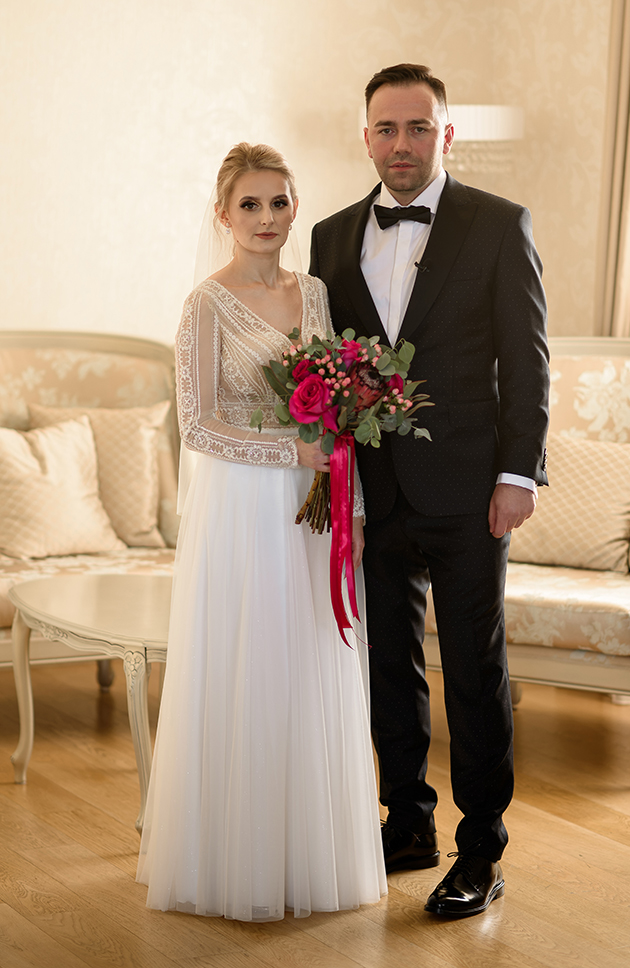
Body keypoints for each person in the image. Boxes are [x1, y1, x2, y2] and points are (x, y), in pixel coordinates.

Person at [310, 64, 549, 918]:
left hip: (472, 491)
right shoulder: (331, 237)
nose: (402, 144)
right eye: (386, 128)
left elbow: (527, 360)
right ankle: (406, 822)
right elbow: (327, 367)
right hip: (374, 494)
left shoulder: (499, 223)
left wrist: (519, 474)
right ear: (366, 137)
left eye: (418, 128)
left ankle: (480, 848)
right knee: (388, 665)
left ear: (446, 134)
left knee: (475, 671)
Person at [136, 142, 387, 921]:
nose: (266, 217)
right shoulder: (204, 305)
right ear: (223, 214)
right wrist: (286, 451)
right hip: (242, 508)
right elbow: (198, 424)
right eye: (250, 204)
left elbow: (336, 405)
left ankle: (306, 855)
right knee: (251, 660)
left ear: (294, 207)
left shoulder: (313, 293)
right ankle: (236, 862)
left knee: (308, 661)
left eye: (279, 202)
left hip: (313, 508)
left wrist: (349, 500)